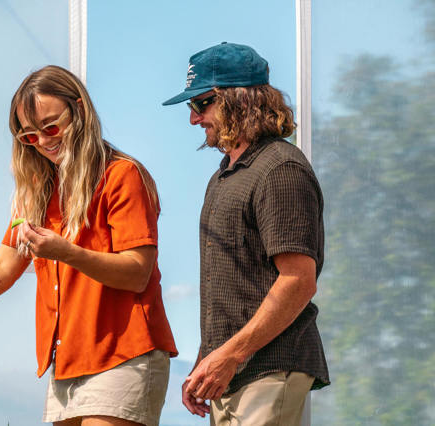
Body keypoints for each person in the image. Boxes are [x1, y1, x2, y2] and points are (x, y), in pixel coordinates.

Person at [0, 65, 178, 426]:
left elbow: (137, 273)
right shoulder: (40, 189)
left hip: (123, 353)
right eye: (28, 137)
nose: (43, 141)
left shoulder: (121, 175)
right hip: (67, 361)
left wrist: (67, 253)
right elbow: (1, 269)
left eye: (51, 127)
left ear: (80, 111)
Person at [162, 42, 330, 425]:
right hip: (234, 372)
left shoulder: (280, 169)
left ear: (240, 99)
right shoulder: (225, 175)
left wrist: (229, 355)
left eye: (200, 104)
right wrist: (208, 360)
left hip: (269, 367)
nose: (193, 119)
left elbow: (298, 281)